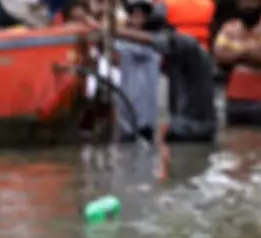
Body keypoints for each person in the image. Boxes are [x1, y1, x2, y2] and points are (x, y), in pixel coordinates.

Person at [78, 7, 217, 142]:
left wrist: (108, 30)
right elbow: (118, 59)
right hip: (187, 125)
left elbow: (153, 40)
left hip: (193, 126)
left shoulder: (187, 45)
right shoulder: (174, 55)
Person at [213, 0, 261, 128]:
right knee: (233, 144)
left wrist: (235, 50)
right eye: (243, 2)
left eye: (251, 1)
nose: (247, 6)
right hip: (234, 101)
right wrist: (251, 49)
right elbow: (219, 56)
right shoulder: (229, 27)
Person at [117, 0, 163, 142]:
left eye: (142, 12)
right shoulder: (122, 44)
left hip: (146, 120)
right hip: (126, 120)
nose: (138, 16)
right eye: (134, 11)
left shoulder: (154, 43)